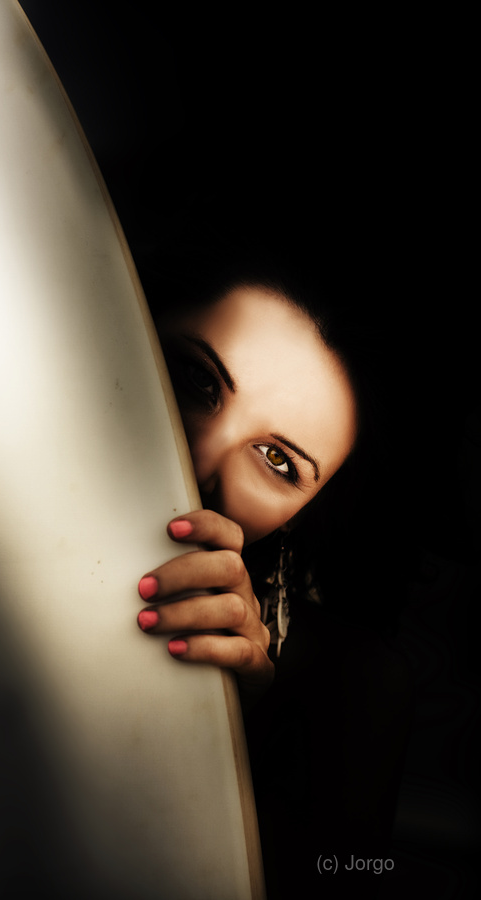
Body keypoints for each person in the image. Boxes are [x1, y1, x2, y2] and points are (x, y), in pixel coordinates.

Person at [132, 200, 416, 898]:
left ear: (306, 513)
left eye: (278, 460)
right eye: (197, 380)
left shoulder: (350, 692)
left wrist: (231, 731)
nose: (201, 459)